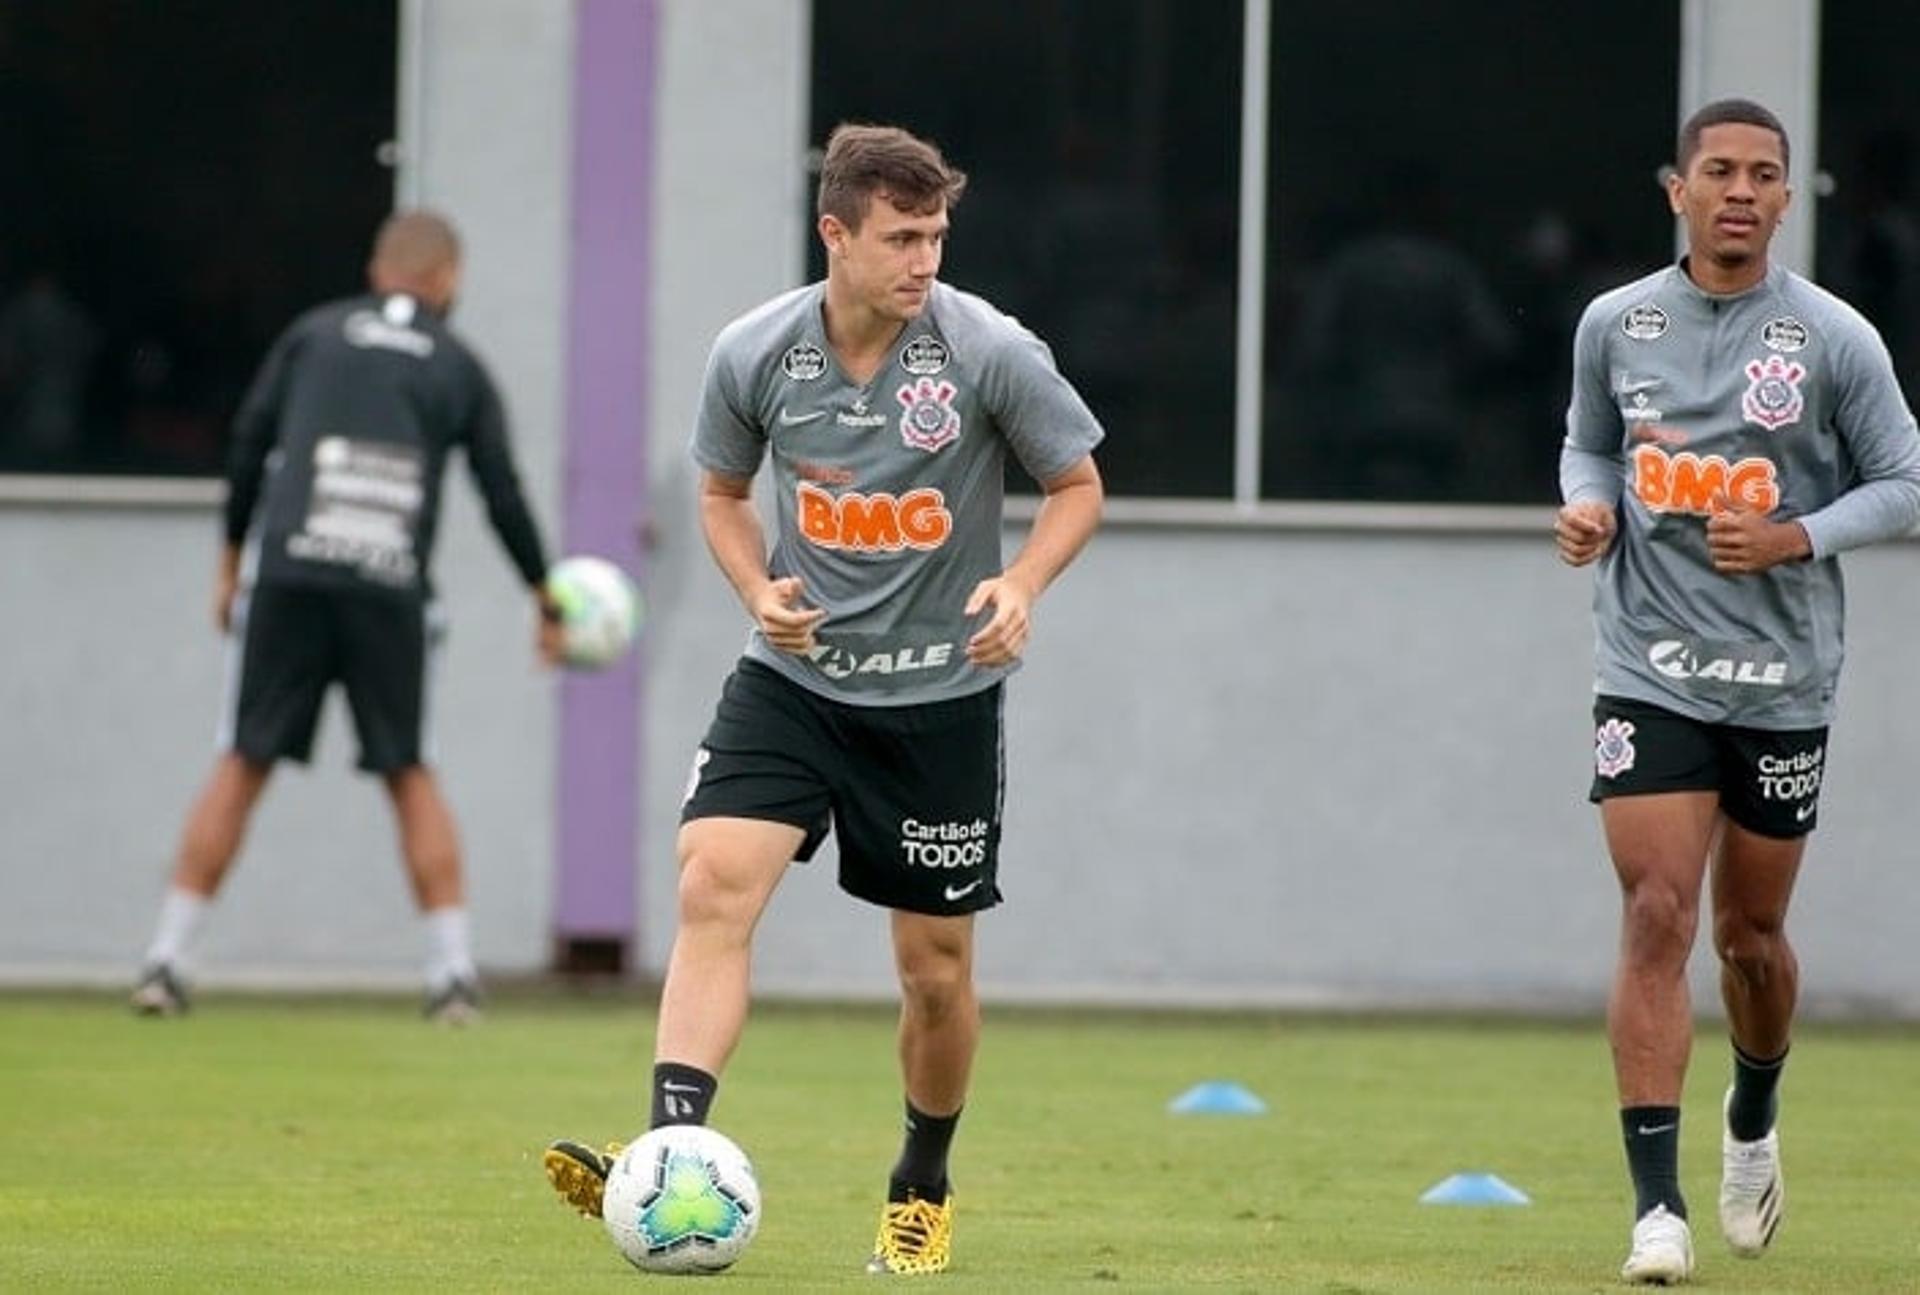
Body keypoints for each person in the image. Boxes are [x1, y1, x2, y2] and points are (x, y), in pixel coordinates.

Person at [541, 123, 1104, 1275]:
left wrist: (1021, 579)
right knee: (712, 881)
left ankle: (922, 1182)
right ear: (834, 234)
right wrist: (760, 589)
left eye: (936, 235)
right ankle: (672, 1152)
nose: (923, 260)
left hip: (940, 700)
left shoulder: (990, 350)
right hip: (794, 682)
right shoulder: (755, 352)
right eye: (901, 237)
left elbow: (1078, 484)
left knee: (934, 970)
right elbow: (721, 494)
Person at [1556, 99, 1920, 1285]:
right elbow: (1590, 441)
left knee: (1748, 938)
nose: (1742, 192)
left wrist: (1796, 536)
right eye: (1720, 170)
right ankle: (1655, 1211)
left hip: (1781, 679)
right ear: (1679, 187)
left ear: (1784, 195)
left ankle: (1752, 1117)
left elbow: (1905, 482)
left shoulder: (1833, 338)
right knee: (1658, 910)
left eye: (1765, 175)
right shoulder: (1618, 321)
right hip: (1648, 661)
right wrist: (1591, 504)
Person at [129, 210, 562, 1025]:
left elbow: (250, 438)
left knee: (242, 757)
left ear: (378, 270)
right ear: (447, 280)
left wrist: (231, 560)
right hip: (388, 586)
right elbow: (500, 487)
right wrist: (545, 592)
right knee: (409, 769)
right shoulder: (459, 363)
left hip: (290, 573)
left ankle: (166, 960)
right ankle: (452, 975)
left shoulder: (312, 335)